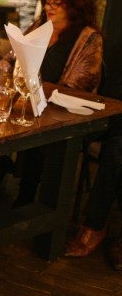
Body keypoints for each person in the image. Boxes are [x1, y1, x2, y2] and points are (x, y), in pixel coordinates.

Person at [12, 0, 103, 207]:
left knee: (35, 128)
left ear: (75, 6)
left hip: (60, 112)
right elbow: (14, 58)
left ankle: (31, 198)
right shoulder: (38, 27)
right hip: (28, 100)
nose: (49, 8)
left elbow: (81, 84)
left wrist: (39, 89)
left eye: (57, 3)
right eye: (47, 2)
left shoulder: (88, 38)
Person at [64, 115, 122, 270]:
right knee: (117, 147)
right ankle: (95, 226)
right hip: (110, 120)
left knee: (116, 149)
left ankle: (95, 225)